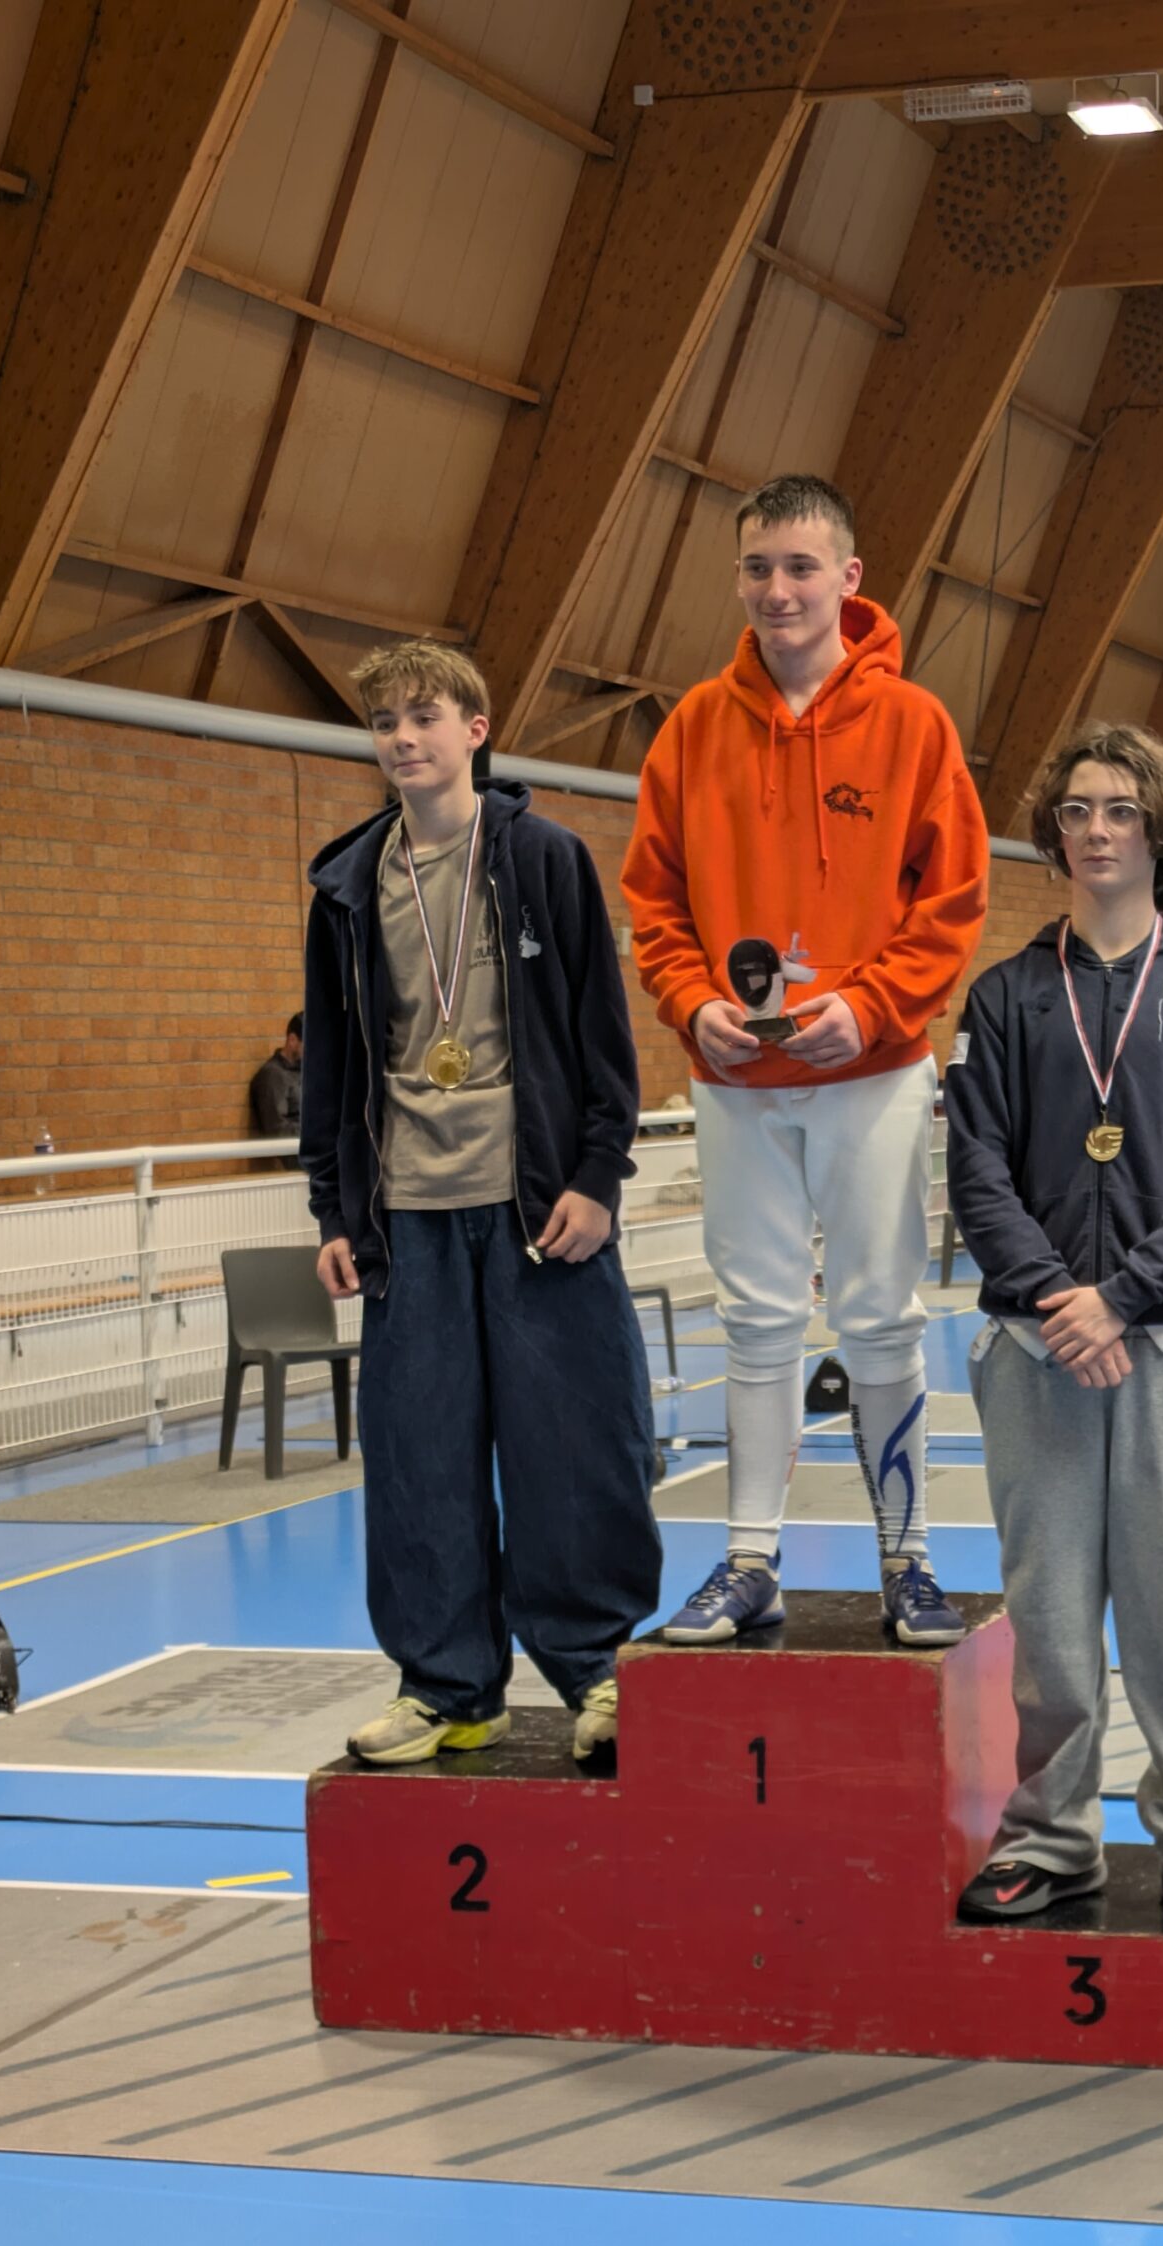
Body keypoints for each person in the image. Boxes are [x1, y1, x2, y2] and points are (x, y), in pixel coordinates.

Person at [625, 473, 988, 1648]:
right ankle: (750, 1561)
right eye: (756, 568)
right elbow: (652, 903)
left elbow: (953, 898)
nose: (776, 589)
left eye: (798, 566)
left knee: (879, 1317)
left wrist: (873, 1006)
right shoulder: (692, 727)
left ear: (847, 577)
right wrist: (691, 1004)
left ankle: (907, 1559)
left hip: (872, 1074)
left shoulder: (913, 723)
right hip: (736, 1082)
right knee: (756, 1319)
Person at [300, 640, 662, 1767]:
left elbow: (602, 1035)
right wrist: (333, 1214)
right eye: (384, 723)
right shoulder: (347, 886)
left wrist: (597, 1178)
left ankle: (597, 1674)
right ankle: (449, 1688)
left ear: (475, 727)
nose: (403, 738)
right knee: (419, 1461)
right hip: (406, 1220)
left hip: (538, 1213)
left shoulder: (545, 859)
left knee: (573, 1450)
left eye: (424, 716)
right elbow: (334, 1067)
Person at [944, 723, 1163, 1932]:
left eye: (1120, 810)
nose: (1095, 830)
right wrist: (1055, 1298)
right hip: (1034, 1345)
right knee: (1045, 1616)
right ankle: (1049, 1835)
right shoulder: (1006, 995)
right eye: (1077, 809)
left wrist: (1121, 1298)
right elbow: (975, 1170)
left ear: (1160, 830)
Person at [249, 1014, 303, 1138]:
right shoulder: (273, 1076)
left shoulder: (304, 1070)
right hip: (296, 1145)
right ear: (292, 1040)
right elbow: (277, 1129)